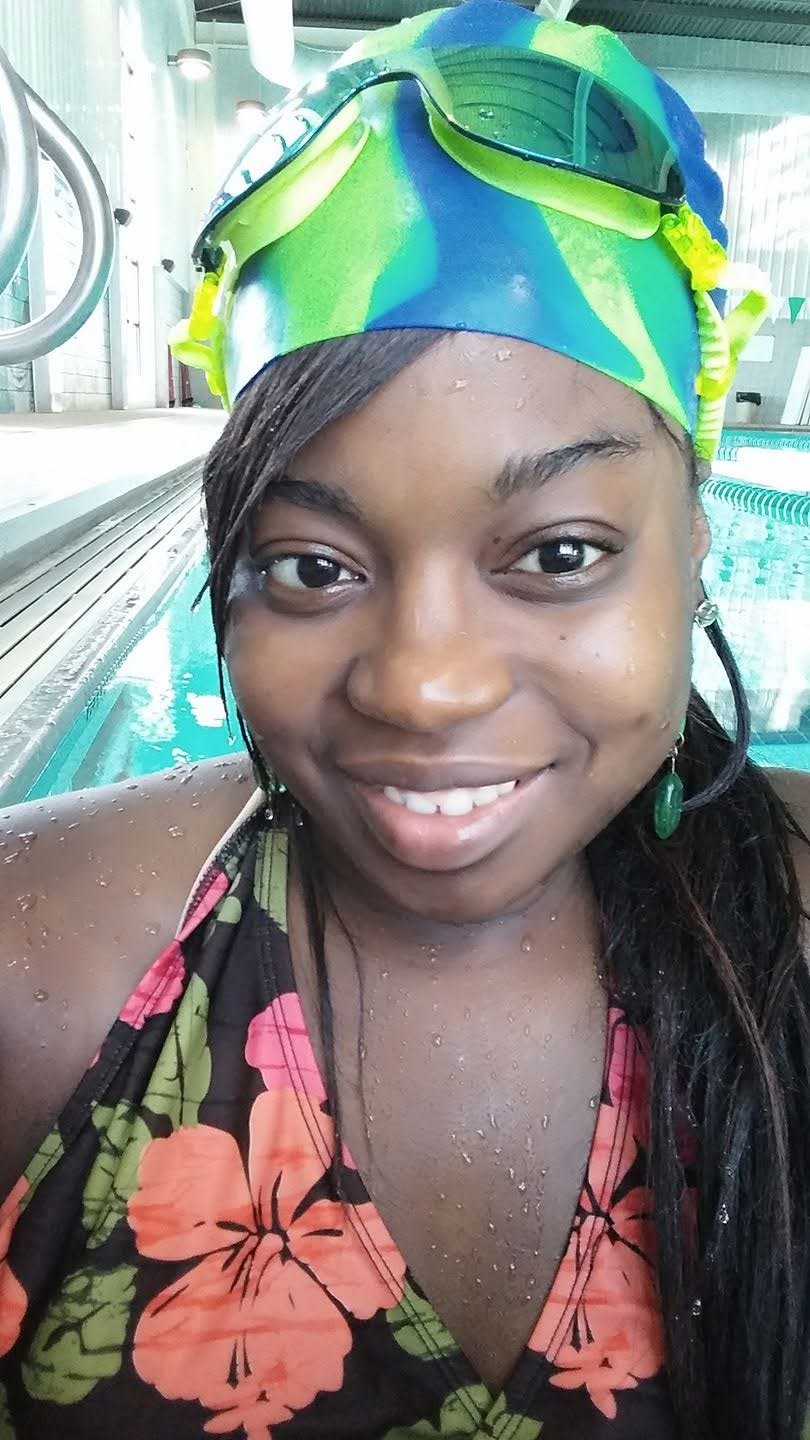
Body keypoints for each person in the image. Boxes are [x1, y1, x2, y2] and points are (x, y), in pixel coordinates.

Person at [1, 2, 808, 1436]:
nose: (421, 684)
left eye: (556, 555)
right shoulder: (32, 981)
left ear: (698, 539)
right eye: (312, 569)